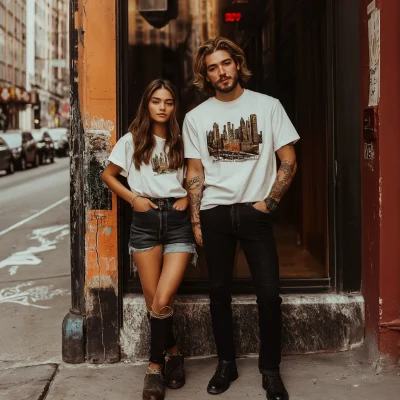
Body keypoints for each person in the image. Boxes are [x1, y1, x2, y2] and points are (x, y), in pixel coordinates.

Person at [183, 37, 300, 400]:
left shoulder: (268, 107)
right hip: (214, 213)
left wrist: (268, 204)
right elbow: (194, 172)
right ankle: (226, 364)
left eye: (226, 63)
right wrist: (196, 221)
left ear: (238, 64)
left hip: (255, 212)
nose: (221, 72)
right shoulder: (196, 117)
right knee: (218, 293)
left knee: (269, 296)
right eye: (213, 67)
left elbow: (289, 160)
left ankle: (270, 371)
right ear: (206, 75)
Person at [102, 79, 196, 400]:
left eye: (168, 102)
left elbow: (200, 175)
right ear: (147, 104)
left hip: (178, 223)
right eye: (156, 101)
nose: (162, 107)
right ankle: (174, 351)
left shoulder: (184, 141)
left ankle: (154, 367)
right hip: (144, 220)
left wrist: (189, 198)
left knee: (162, 299)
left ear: (174, 107)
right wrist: (133, 199)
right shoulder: (132, 141)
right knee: (154, 302)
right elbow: (108, 175)